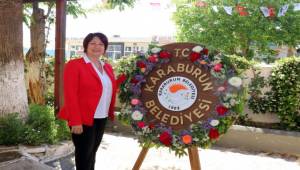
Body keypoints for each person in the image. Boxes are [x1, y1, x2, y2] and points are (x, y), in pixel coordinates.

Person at [58, 32, 117, 170]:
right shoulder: (75, 65)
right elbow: (70, 94)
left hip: (101, 116)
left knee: (92, 153)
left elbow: (109, 87)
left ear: (105, 48)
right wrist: (75, 121)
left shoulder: (106, 67)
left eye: (101, 44)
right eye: (93, 43)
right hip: (83, 118)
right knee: (84, 155)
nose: (97, 46)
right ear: (86, 45)